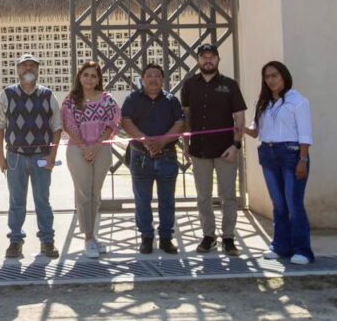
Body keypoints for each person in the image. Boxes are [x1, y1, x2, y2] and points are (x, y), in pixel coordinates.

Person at [0, 53, 63, 260]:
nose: (28, 69)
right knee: (16, 201)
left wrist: (52, 155)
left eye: (32, 65)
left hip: (42, 156)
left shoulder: (48, 95)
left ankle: (47, 240)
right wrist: (0, 155)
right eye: (24, 65)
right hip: (15, 157)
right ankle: (15, 241)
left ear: (38, 69)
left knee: (43, 200)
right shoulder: (7, 94)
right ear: (17, 70)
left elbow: (57, 127)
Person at [245, 61, 314, 264]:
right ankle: (280, 246)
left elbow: (305, 134)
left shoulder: (298, 101)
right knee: (278, 204)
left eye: (275, 75)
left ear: (284, 76)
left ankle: (302, 250)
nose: (271, 80)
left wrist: (303, 160)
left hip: (292, 154)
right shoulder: (262, 102)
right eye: (267, 76)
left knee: (293, 203)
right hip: (268, 154)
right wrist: (240, 129)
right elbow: (256, 131)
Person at [181, 43, 247, 257]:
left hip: (226, 150)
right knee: (203, 196)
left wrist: (236, 145)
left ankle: (228, 237)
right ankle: (208, 236)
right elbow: (186, 117)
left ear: (218, 59)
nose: (208, 60)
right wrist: (185, 146)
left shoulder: (230, 85)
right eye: (204, 57)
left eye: (212, 57)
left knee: (228, 196)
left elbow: (239, 117)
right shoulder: (189, 85)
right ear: (198, 60)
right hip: (199, 150)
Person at [121, 63, 185, 255]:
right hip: (140, 157)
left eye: (157, 75)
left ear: (163, 80)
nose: (153, 79)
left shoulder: (171, 100)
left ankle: (166, 238)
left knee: (167, 200)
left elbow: (180, 123)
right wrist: (146, 141)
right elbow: (126, 121)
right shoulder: (132, 98)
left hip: (167, 156)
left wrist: (162, 142)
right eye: (149, 75)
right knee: (142, 200)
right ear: (142, 79)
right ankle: (146, 237)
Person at [60, 60, 120, 259]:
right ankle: (87, 238)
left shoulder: (107, 99)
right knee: (84, 193)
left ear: (98, 79)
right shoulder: (70, 101)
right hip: (78, 150)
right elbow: (68, 126)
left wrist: (96, 145)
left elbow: (112, 123)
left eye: (93, 76)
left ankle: (93, 234)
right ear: (79, 77)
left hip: (101, 149)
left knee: (95, 193)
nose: (89, 79)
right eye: (86, 74)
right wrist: (85, 147)